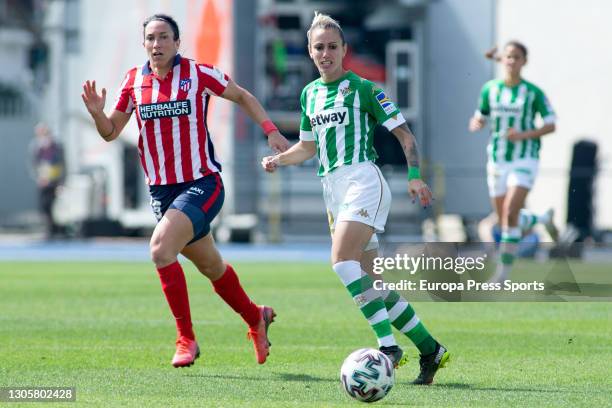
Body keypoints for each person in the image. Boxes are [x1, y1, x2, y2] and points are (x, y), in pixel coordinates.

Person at [81, 14, 289, 368]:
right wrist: (99, 115)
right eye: (151, 38)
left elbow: (241, 95)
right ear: (143, 44)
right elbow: (111, 131)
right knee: (211, 267)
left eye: (164, 37)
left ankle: (186, 339)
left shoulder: (198, 74)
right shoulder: (133, 81)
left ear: (178, 43)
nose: (157, 44)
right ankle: (256, 316)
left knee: (161, 249)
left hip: (202, 184)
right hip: (163, 195)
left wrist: (270, 130)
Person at [261, 12, 449, 385]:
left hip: (364, 180)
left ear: (345, 49)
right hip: (333, 191)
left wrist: (414, 177)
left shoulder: (365, 89)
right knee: (372, 284)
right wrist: (279, 159)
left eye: (333, 46)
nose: (326, 53)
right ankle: (430, 349)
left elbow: (406, 136)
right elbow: (307, 147)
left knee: (341, 262)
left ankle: (387, 347)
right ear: (310, 52)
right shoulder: (309, 94)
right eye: (319, 47)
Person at [468, 41, 558, 283]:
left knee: (510, 212)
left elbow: (551, 124)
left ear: (524, 61)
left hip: (525, 157)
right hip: (497, 158)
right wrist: (476, 123)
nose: (511, 60)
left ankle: (502, 274)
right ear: (503, 59)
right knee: (507, 219)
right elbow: (480, 116)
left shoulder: (533, 92)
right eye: (508, 56)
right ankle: (541, 219)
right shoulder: (490, 89)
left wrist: (523, 135)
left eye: (516, 57)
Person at [31, 123, 65, 238]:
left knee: (54, 207)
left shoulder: (57, 146)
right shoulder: (36, 148)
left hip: (54, 182)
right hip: (43, 182)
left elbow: (62, 165)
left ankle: (56, 231)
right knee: (44, 207)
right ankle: (49, 230)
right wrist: (39, 178)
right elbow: (34, 165)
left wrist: (61, 182)